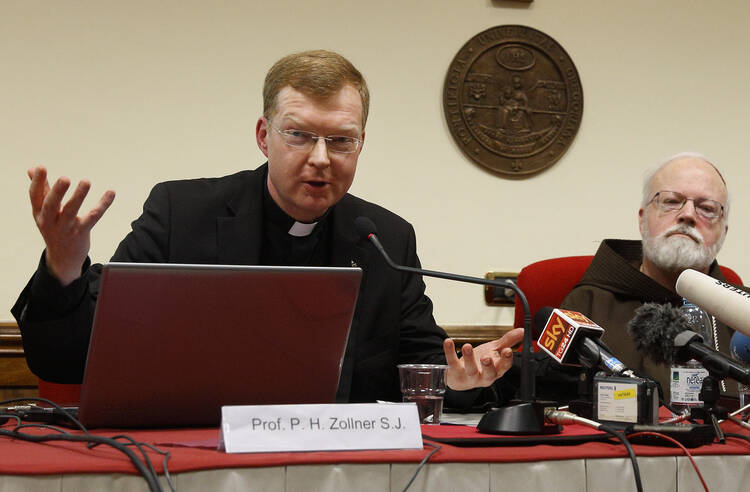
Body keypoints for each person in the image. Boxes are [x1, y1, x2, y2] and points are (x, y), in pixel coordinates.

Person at [12, 50, 522, 405]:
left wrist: (458, 378)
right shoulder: (181, 213)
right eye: (299, 135)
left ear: (361, 143)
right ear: (264, 135)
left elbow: (425, 363)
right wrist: (64, 264)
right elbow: (69, 359)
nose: (321, 159)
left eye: (341, 141)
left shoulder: (384, 239)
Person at [560, 152, 736, 399]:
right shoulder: (587, 304)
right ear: (642, 219)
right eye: (672, 201)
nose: (688, 214)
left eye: (706, 208)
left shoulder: (743, 313)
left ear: (723, 233)